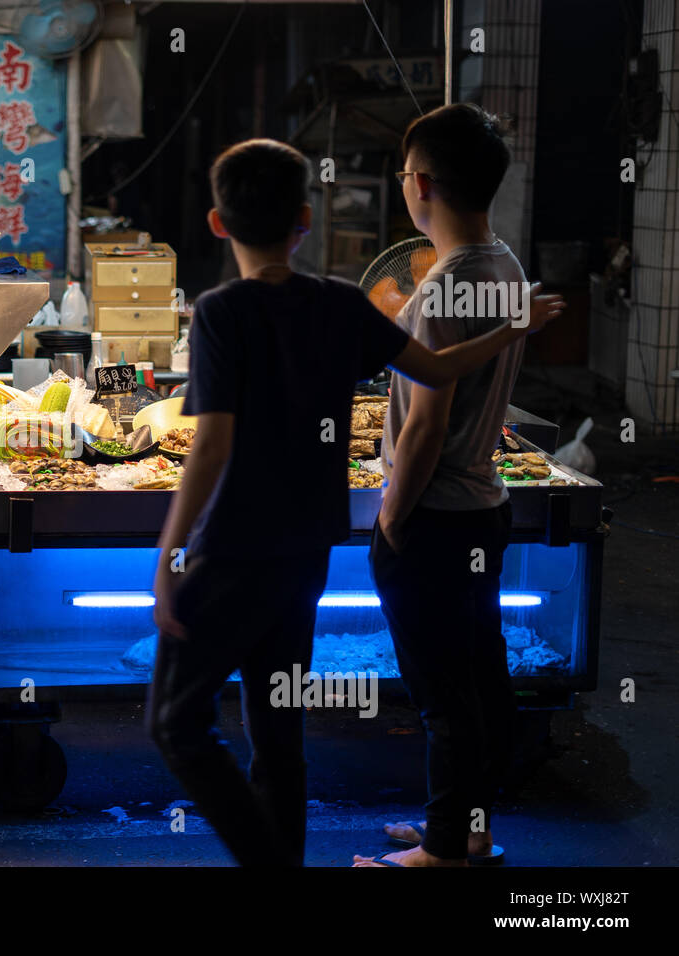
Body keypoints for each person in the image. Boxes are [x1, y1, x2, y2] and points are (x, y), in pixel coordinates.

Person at [147, 138, 562, 867]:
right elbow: (434, 370)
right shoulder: (340, 303)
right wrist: (513, 328)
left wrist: (170, 555)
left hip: (236, 548)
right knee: (277, 726)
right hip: (307, 551)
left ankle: (266, 861)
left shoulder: (220, 312)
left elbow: (211, 447)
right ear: (305, 218)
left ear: (217, 224)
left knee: (177, 724)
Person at [354, 104, 536, 869]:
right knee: (479, 682)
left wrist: (392, 516)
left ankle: (441, 855)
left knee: (442, 696)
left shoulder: (440, 290)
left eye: (403, 175)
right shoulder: (505, 268)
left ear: (420, 183)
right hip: (485, 507)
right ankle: (466, 829)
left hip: (434, 515)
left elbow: (425, 427)